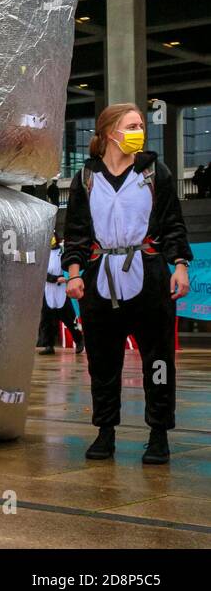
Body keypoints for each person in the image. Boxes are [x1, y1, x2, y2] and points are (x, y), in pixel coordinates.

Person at [64, 102, 192, 466]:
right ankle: (105, 431)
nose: (140, 130)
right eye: (132, 125)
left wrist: (179, 265)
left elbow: (172, 224)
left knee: (158, 360)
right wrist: (74, 275)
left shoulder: (155, 172)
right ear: (109, 133)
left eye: (141, 125)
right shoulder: (86, 177)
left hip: (149, 276)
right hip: (99, 280)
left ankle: (158, 434)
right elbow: (75, 232)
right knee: (103, 362)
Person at [37, 232, 82, 355]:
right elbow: (40, 271)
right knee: (47, 319)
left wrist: (65, 277)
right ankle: (48, 345)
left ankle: (79, 340)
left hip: (62, 289)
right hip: (48, 289)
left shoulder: (63, 251)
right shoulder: (42, 253)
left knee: (69, 317)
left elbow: (69, 267)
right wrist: (54, 279)